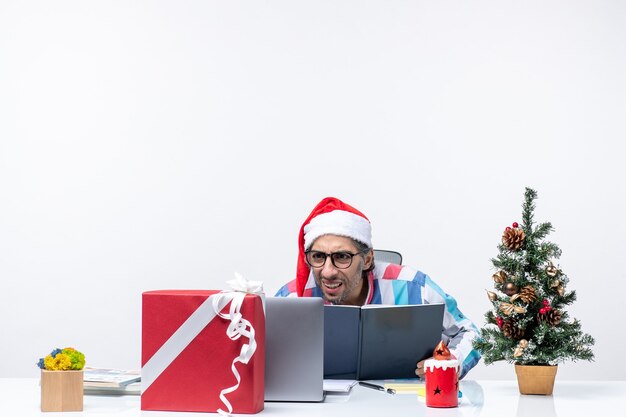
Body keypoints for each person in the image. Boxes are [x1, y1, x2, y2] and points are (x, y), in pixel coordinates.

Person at [275, 196, 481, 379]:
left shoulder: (413, 287)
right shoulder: (292, 297)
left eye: (342, 257)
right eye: (318, 256)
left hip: (401, 404)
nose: (328, 271)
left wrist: (450, 363)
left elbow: (471, 333)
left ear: (367, 259)